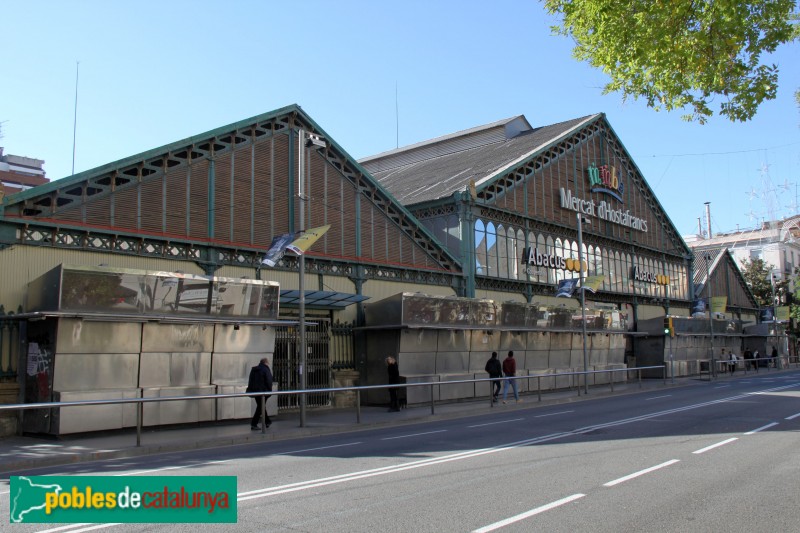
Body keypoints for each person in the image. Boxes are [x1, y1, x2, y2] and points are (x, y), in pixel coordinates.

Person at [247, 357, 273, 430]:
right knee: (260, 407)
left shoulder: (254, 370)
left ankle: (267, 421)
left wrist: (251, 389)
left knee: (261, 406)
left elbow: (250, 381)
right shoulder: (265, 369)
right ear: (266, 362)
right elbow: (269, 380)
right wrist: (269, 390)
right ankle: (254, 424)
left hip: (255, 391)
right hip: (263, 392)